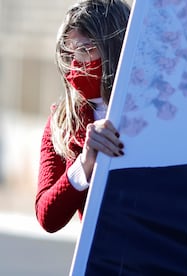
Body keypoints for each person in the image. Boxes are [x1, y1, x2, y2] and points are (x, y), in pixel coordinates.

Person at [35, 0, 130, 233]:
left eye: (86, 49)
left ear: (115, 48)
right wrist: (85, 162)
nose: (77, 63)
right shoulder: (62, 121)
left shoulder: (156, 107)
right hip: (102, 260)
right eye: (71, 53)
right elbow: (47, 217)